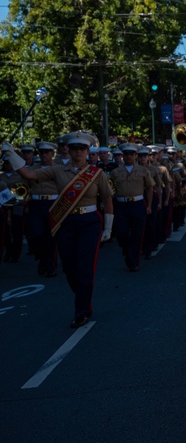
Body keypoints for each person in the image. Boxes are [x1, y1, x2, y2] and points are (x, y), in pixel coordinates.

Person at [4, 131, 115, 328]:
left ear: (88, 151)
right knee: (70, 268)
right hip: (66, 223)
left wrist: (108, 226)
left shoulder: (96, 174)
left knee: (84, 268)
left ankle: (81, 311)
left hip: (89, 222)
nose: (78, 152)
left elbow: (107, 199)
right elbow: (29, 174)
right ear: (69, 151)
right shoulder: (57, 171)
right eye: (74, 149)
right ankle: (82, 295)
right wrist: (11, 154)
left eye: (82, 149)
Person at [108, 143, 154, 272]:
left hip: (138, 204)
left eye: (131, 154)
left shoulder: (143, 171)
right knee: (121, 233)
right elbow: (110, 190)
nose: (128, 157)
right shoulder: (115, 172)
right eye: (126, 154)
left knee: (137, 234)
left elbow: (150, 187)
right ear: (123, 156)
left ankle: (133, 262)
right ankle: (126, 249)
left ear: (136, 156)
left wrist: (149, 205)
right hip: (121, 205)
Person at [25, 141, 59, 277]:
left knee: (51, 237)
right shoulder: (32, 169)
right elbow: (26, 187)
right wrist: (26, 203)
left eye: (47, 152)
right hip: (36, 204)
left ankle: (49, 266)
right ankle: (42, 259)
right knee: (36, 234)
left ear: (52, 154)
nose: (44, 155)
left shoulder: (59, 169)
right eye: (41, 152)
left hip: (53, 203)